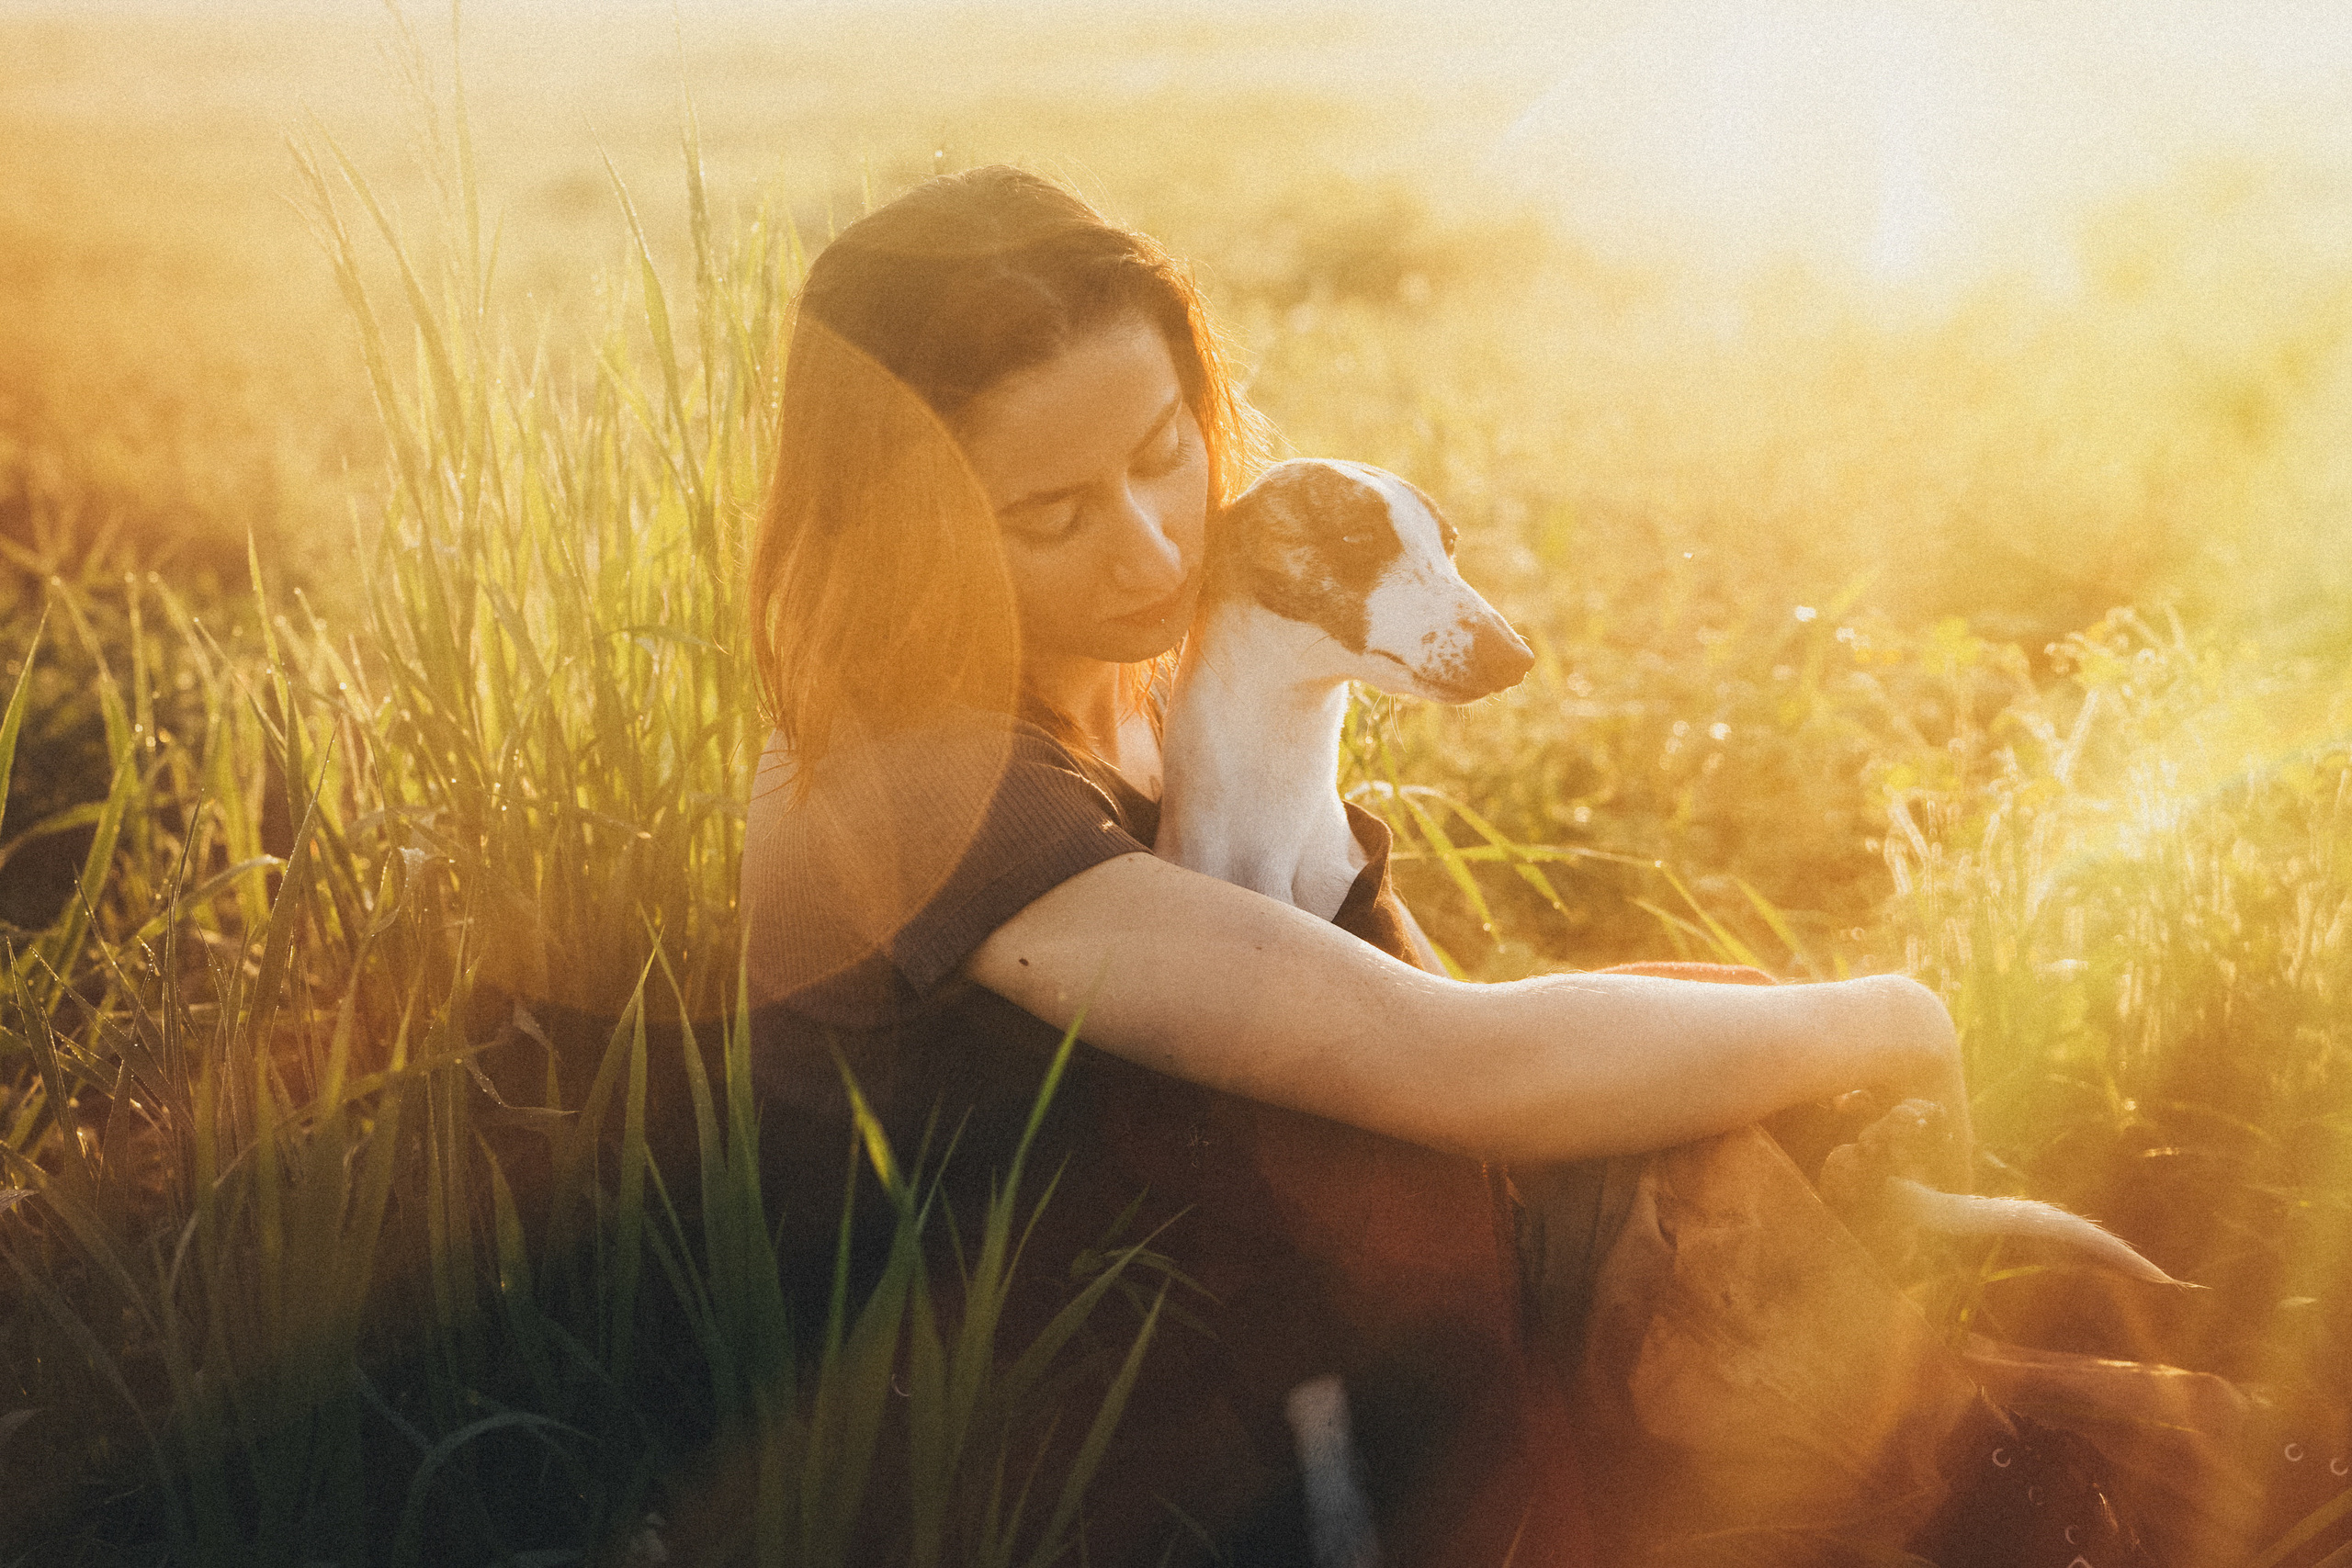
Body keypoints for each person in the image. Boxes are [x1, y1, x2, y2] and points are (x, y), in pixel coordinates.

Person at [736, 167, 2227, 1566]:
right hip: (1102, 1440)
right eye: (1050, 515)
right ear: (909, 527)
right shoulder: (899, 792)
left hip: (1291, 1306)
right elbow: (1449, 1063)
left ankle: (2030, 1428)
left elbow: (1404, 991)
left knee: (1700, 1091)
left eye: (1162, 454)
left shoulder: (1139, 682)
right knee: (1743, 1158)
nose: (1145, 547)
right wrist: (1880, 1018)